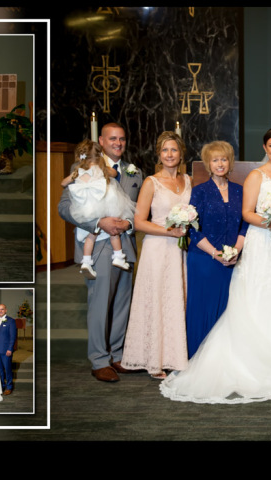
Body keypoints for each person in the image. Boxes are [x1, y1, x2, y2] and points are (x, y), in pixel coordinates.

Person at [160, 127, 271, 403]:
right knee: (257, 298)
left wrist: (239, 246)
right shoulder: (248, 178)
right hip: (258, 243)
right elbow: (248, 215)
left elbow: (243, 221)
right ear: (265, 148)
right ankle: (237, 357)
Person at [58, 123, 142, 382]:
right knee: (100, 303)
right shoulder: (82, 167)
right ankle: (99, 359)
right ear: (101, 142)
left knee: (121, 304)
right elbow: (64, 208)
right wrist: (97, 224)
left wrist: (128, 223)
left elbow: (140, 208)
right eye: (113, 138)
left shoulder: (134, 172)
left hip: (125, 243)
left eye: (123, 139)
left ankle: (117, 355)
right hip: (98, 244)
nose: (118, 143)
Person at [121, 132, 191, 379]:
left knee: (176, 299)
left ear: (181, 153)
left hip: (180, 250)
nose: (169, 155)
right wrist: (168, 232)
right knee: (157, 300)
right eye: (165, 151)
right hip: (158, 247)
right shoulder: (152, 182)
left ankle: (175, 356)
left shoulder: (189, 180)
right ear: (159, 155)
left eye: (173, 150)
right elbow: (138, 222)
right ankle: (154, 360)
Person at [185, 140, 247, 359]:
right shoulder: (199, 192)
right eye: (215, 160)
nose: (220, 163)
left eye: (224, 159)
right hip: (204, 260)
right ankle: (199, 359)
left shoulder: (241, 190)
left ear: (230, 162)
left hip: (232, 261)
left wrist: (236, 250)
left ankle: (225, 361)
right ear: (208, 164)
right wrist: (215, 253)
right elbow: (192, 229)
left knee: (229, 313)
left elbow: (245, 224)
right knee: (204, 310)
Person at [61, 139, 136, 278]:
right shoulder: (102, 168)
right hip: (104, 205)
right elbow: (114, 173)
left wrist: (77, 179)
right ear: (100, 155)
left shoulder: (78, 170)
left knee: (91, 235)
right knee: (113, 230)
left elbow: (63, 183)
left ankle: (86, 261)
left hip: (87, 208)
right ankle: (118, 256)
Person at [0, 304, 17, 395]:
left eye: (2, 309)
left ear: (6, 310)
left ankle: (9, 387)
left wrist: (10, 349)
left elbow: (13, 337)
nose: (0, 311)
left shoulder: (11, 321)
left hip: (6, 350)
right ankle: (2, 386)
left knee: (7, 369)